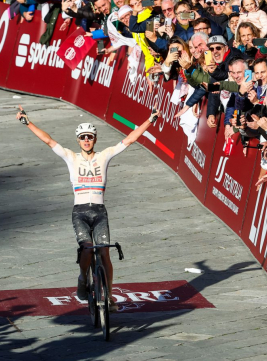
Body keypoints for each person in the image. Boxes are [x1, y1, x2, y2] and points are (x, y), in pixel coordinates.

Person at [16, 106, 161, 312]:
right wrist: (27, 122)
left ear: (95, 139)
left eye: (90, 137)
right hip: (80, 212)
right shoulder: (70, 156)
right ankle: (83, 279)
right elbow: (48, 141)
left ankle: (109, 296)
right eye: (83, 137)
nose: (86, 140)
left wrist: (150, 120)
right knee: (86, 247)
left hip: (100, 211)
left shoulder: (105, 155)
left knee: (105, 252)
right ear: (78, 140)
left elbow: (129, 139)